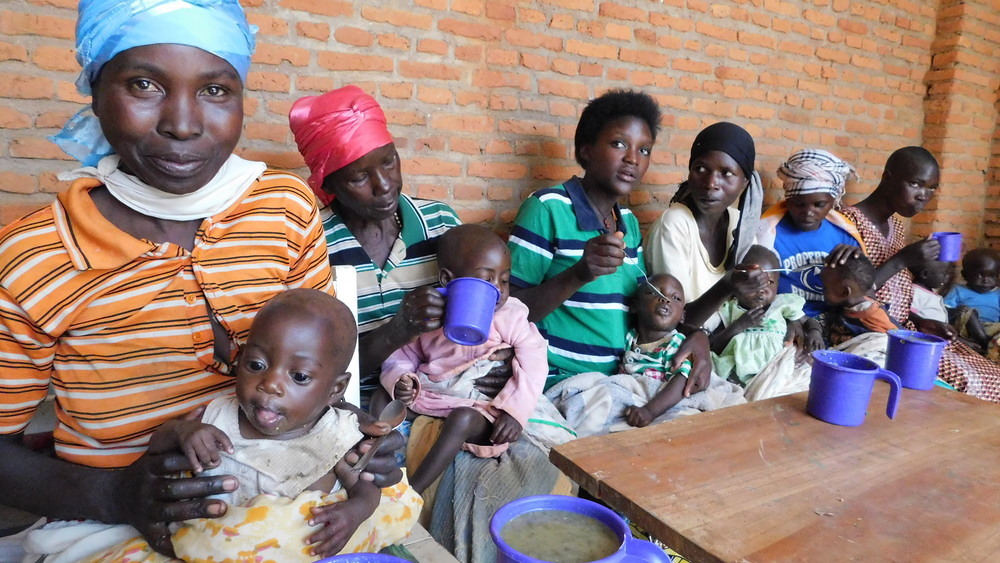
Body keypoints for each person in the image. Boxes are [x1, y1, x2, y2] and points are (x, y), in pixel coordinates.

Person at [0, 2, 399, 556]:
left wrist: (355, 438)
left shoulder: (284, 210)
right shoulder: (36, 256)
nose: (183, 124)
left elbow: (322, 361)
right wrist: (116, 497)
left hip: (289, 496)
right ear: (95, 94)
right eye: (143, 84)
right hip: (112, 523)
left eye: (214, 90)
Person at [22, 290, 421, 561]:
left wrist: (352, 514)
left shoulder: (337, 435)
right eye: (256, 365)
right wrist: (182, 433)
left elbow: (367, 491)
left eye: (299, 377)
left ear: (335, 390)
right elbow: (158, 445)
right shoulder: (217, 414)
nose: (270, 384)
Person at [508, 89, 712, 395]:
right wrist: (579, 273)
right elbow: (506, 310)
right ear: (586, 150)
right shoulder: (548, 207)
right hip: (561, 379)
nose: (633, 158)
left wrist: (696, 335)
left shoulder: (627, 222)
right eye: (619, 144)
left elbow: (647, 306)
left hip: (626, 376)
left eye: (644, 150)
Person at [289, 85, 471, 405]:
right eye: (359, 178)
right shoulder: (312, 242)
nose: (384, 185)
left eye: (388, 162)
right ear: (327, 183)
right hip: (345, 407)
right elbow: (306, 371)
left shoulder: (440, 223)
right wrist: (397, 330)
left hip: (442, 397)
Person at [379, 225, 549, 493]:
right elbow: (402, 356)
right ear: (448, 280)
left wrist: (515, 412)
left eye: (504, 280)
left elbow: (534, 361)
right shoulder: (430, 315)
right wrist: (402, 380)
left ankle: (412, 492)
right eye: (486, 280)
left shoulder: (511, 315)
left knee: (462, 419)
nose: (499, 290)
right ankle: (374, 467)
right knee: (381, 398)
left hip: (485, 407)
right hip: (436, 396)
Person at [840, 147, 1000, 401]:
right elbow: (853, 298)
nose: (923, 196)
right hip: (874, 333)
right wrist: (904, 258)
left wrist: (921, 320)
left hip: (905, 328)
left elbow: (892, 294)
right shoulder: (849, 224)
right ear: (888, 176)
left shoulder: (895, 225)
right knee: (975, 384)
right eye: (915, 184)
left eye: (931, 188)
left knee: (993, 374)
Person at [545, 274, 745, 435]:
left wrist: (650, 411)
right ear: (634, 305)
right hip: (634, 401)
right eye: (655, 293)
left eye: (675, 298)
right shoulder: (630, 338)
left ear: (683, 315)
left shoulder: (677, 343)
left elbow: (683, 381)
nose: (665, 299)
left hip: (664, 401)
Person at [644, 121, 771, 328]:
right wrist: (728, 285)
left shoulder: (740, 225)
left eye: (726, 173)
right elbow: (676, 322)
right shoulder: (675, 224)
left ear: (744, 182)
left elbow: (756, 301)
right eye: (701, 169)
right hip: (685, 347)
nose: (711, 183)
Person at [756, 148, 866, 320]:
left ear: (833, 202)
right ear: (788, 199)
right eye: (799, 204)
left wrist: (858, 262)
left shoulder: (845, 236)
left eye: (819, 205)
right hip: (784, 322)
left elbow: (863, 295)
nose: (808, 213)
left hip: (836, 323)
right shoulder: (767, 236)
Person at [706, 246, 821, 387]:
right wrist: (739, 326)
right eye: (752, 283)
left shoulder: (782, 305)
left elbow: (809, 322)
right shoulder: (729, 309)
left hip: (780, 370)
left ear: (778, 285)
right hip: (739, 378)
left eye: (769, 282)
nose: (761, 289)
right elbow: (713, 347)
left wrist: (815, 333)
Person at [822, 253, 902, 346]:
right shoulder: (846, 307)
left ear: (844, 292)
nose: (821, 290)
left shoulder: (874, 316)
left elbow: (898, 340)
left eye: (825, 287)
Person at [944, 248, 1000, 350]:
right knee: (968, 312)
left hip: (993, 330)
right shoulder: (958, 290)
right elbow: (943, 311)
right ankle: (985, 345)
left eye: (992, 275)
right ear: (965, 275)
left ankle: (992, 347)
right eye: (981, 274)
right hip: (967, 329)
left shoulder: (998, 294)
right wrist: (955, 311)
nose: (986, 280)